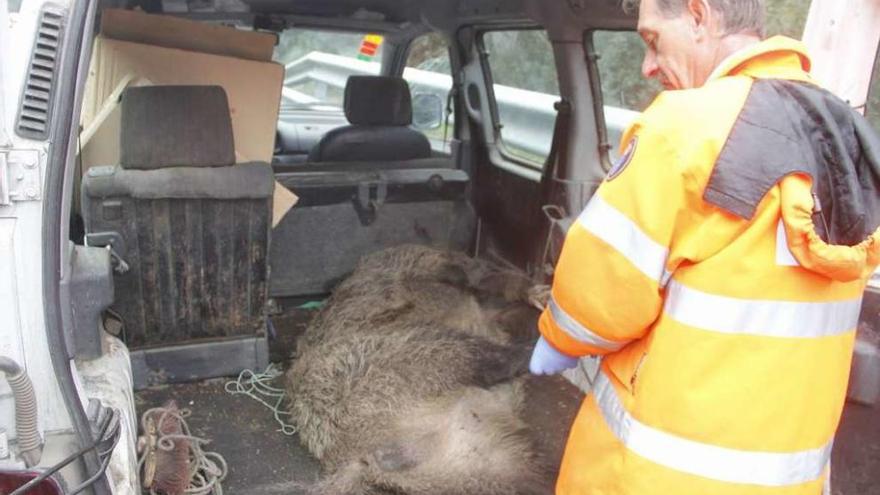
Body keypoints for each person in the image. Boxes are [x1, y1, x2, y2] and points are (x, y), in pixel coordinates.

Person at [528, 0, 880, 494]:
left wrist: (560, 337)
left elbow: (601, 297)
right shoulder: (846, 132)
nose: (649, 66)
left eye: (653, 40)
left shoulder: (684, 129)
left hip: (659, 478)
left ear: (699, 15)